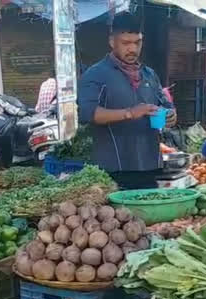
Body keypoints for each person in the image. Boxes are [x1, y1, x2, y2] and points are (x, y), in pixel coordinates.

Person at [77, 13, 176, 189]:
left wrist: (170, 115)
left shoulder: (149, 75)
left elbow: (164, 103)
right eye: (125, 43)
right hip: (114, 169)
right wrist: (130, 113)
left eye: (137, 43)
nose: (132, 49)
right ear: (112, 42)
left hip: (150, 165)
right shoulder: (96, 75)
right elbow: (88, 113)